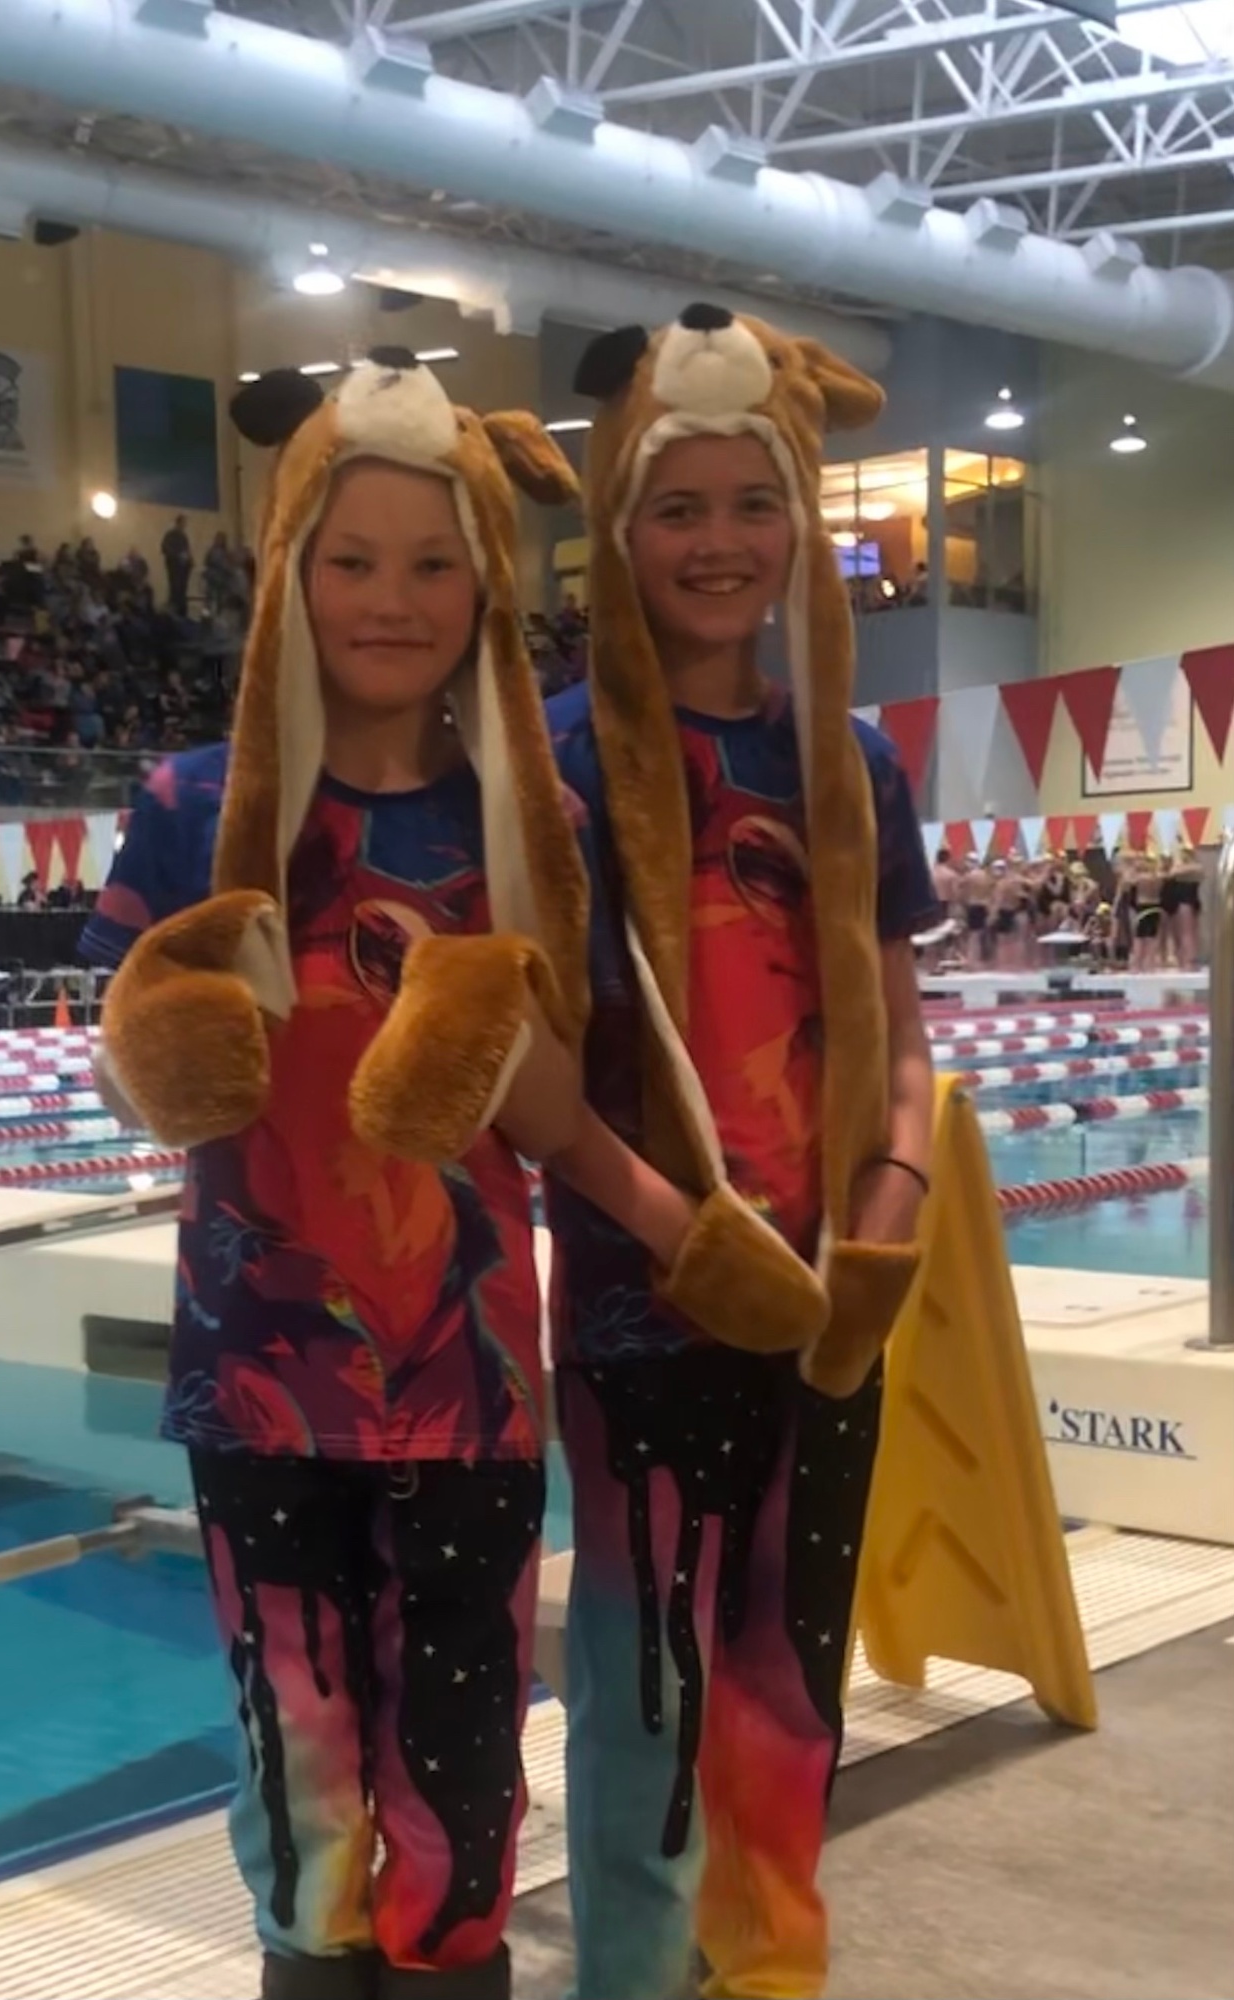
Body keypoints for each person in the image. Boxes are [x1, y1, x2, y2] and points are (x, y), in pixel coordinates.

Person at [82, 351, 590, 2000]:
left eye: (434, 562)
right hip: (256, 1368)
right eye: (354, 559)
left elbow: (567, 1103)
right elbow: (124, 1072)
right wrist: (154, 1051)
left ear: (487, 581)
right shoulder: (192, 805)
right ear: (290, 570)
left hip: (468, 1366)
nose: (393, 598)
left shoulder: (525, 816)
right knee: (293, 1747)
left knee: (463, 1758)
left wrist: (493, 1034)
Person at [545, 306, 939, 2000]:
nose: (720, 542)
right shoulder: (556, 761)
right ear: (620, 529)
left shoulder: (850, 760)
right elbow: (533, 1077)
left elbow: (901, 1039)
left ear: (799, 522)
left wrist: (888, 1212)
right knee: (645, 1694)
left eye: (752, 504)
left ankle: (771, 1974)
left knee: (787, 1688)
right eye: (678, 508)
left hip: (829, 1305)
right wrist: (678, 1231)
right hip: (643, 1304)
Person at [161, 513, 194, 618]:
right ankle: (174, 613)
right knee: (175, 589)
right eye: (183, 522)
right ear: (178, 523)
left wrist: (189, 560)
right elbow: (165, 548)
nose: (184, 525)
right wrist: (178, 555)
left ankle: (181, 613)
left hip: (183, 568)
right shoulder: (170, 535)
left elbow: (187, 550)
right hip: (174, 567)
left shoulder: (183, 536)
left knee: (181, 591)